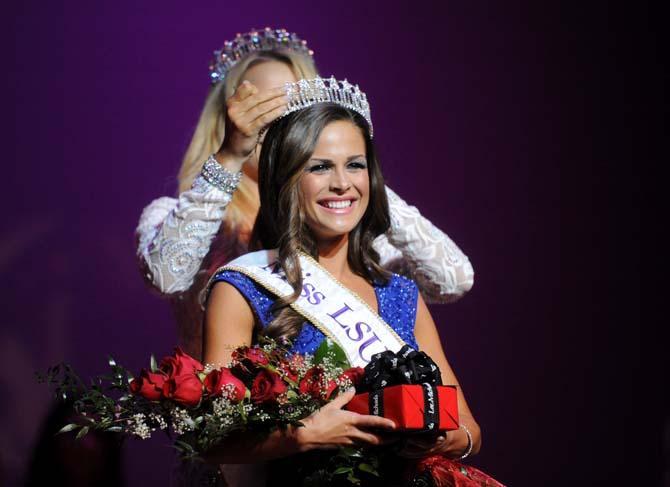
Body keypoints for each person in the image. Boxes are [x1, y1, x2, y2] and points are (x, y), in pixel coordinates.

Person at [202, 78, 481, 486]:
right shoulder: (245, 287)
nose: (342, 184)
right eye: (319, 167)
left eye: (355, 164)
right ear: (287, 179)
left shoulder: (400, 293)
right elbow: (210, 440)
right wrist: (306, 435)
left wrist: (438, 438)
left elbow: (470, 430)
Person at [135, 28, 475, 360]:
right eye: (263, 111)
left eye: (298, 113)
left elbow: (452, 280)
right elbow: (167, 276)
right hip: (229, 409)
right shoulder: (179, 216)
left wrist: (352, 173)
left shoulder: (342, 230)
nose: (282, 128)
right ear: (227, 118)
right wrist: (230, 156)